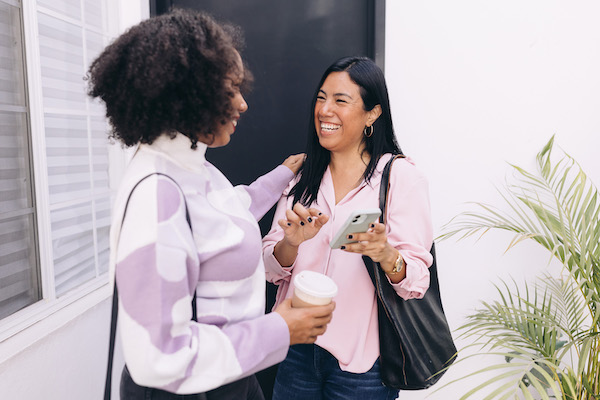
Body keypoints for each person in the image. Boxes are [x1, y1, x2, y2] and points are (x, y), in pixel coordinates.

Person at [87, 9, 335, 400]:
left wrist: (282, 175)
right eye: (230, 89)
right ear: (186, 95)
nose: (242, 104)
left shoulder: (187, 166)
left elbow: (222, 213)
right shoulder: (157, 194)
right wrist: (279, 329)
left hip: (228, 376)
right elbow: (159, 359)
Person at [262, 56, 434, 400]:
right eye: (321, 98)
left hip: (363, 365)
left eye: (341, 100)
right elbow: (269, 267)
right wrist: (290, 244)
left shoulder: (399, 178)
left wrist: (386, 255)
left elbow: (416, 281)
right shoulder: (302, 175)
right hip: (296, 348)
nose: (325, 110)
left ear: (372, 113)